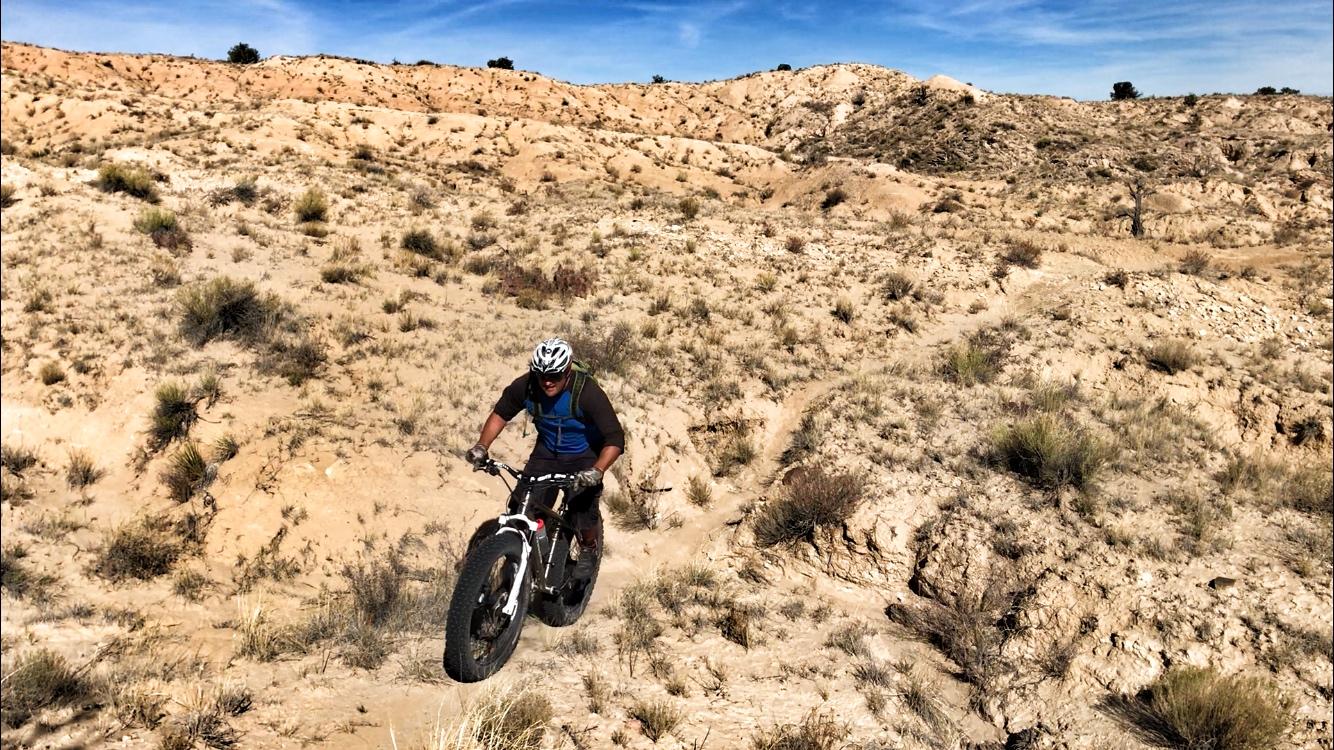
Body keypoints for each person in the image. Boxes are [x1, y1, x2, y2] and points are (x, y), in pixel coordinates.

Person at [466, 337, 624, 577]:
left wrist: (598, 469)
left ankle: (589, 548)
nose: (547, 381)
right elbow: (500, 414)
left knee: (582, 508)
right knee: (522, 505)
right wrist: (481, 446)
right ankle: (529, 550)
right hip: (547, 452)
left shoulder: (586, 392)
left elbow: (614, 438)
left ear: (567, 371)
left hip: (584, 454)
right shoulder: (526, 386)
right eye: (542, 375)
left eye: (555, 376)